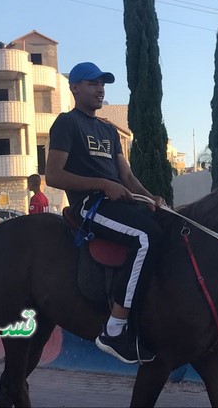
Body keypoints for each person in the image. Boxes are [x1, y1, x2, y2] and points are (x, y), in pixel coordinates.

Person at [46, 61, 166, 364]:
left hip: (118, 202)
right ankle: (115, 328)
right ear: (74, 88)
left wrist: (150, 197)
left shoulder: (109, 131)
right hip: (90, 205)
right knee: (145, 237)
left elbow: (126, 177)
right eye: (92, 83)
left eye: (102, 84)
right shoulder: (67, 123)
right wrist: (101, 184)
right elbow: (54, 176)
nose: (100, 89)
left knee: (164, 225)